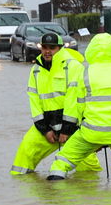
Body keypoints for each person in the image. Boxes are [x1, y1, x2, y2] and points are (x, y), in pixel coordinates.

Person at [47, 32, 111, 180]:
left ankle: (55, 193)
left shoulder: (85, 73)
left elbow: (77, 105)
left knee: (62, 162)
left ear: (91, 50)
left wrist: (79, 126)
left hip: (90, 131)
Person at [9, 32, 99, 175]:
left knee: (88, 171)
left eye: (52, 47)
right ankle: (23, 191)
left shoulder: (74, 67)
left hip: (73, 128)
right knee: (24, 155)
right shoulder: (36, 70)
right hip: (47, 126)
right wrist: (44, 129)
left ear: (60, 48)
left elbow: (74, 100)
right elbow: (34, 101)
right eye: (44, 47)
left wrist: (67, 129)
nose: (47, 51)